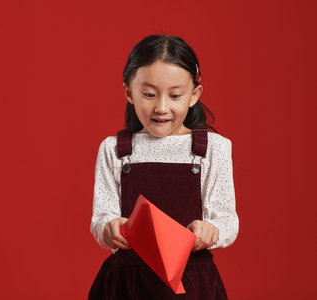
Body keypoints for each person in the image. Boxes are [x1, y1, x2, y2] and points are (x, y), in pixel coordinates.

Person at [88, 34, 239, 300]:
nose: (161, 107)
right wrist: (108, 228)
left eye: (175, 95)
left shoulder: (213, 149)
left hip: (191, 286)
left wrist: (211, 231)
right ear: (128, 92)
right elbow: (101, 218)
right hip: (127, 285)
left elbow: (228, 220)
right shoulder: (114, 150)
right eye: (148, 94)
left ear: (194, 95)